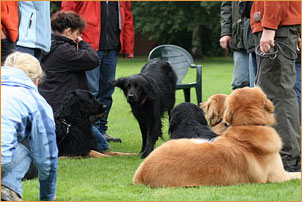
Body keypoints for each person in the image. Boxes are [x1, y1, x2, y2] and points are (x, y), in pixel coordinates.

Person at [61, 1, 135, 143]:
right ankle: (90, 131)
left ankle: (101, 131)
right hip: (88, 47)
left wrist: (127, 46)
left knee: (107, 92)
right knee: (91, 91)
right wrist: (72, 40)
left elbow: (127, 18)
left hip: (111, 48)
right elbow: (67, 13)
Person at [38, 11, 109, 152]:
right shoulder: (63, 50)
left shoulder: (49, 46)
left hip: (54, 105)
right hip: (64, 112)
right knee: (101, 145)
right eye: (77, 34)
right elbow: (93, 60)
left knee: (98, 144)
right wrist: (82, 43)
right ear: (69, 31)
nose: (78, 37)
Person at [251, 1, 301, 172]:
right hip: (278, 27)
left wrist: (269, 27)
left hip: (277, 29)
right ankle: (288, 155)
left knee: (279, 94)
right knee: (278, 92)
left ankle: (288, 158)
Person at [1, 52, 58, 201]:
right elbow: (46, 158)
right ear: (36, 80)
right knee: (30, 148)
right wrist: (48, 196)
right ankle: (8, 188)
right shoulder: (37, 102)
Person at [220, 1, 252, 90]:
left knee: (262, 83)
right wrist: (226, 32)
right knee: (239, 84)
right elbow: (226, 8)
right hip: (239, 41)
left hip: (261, 38)